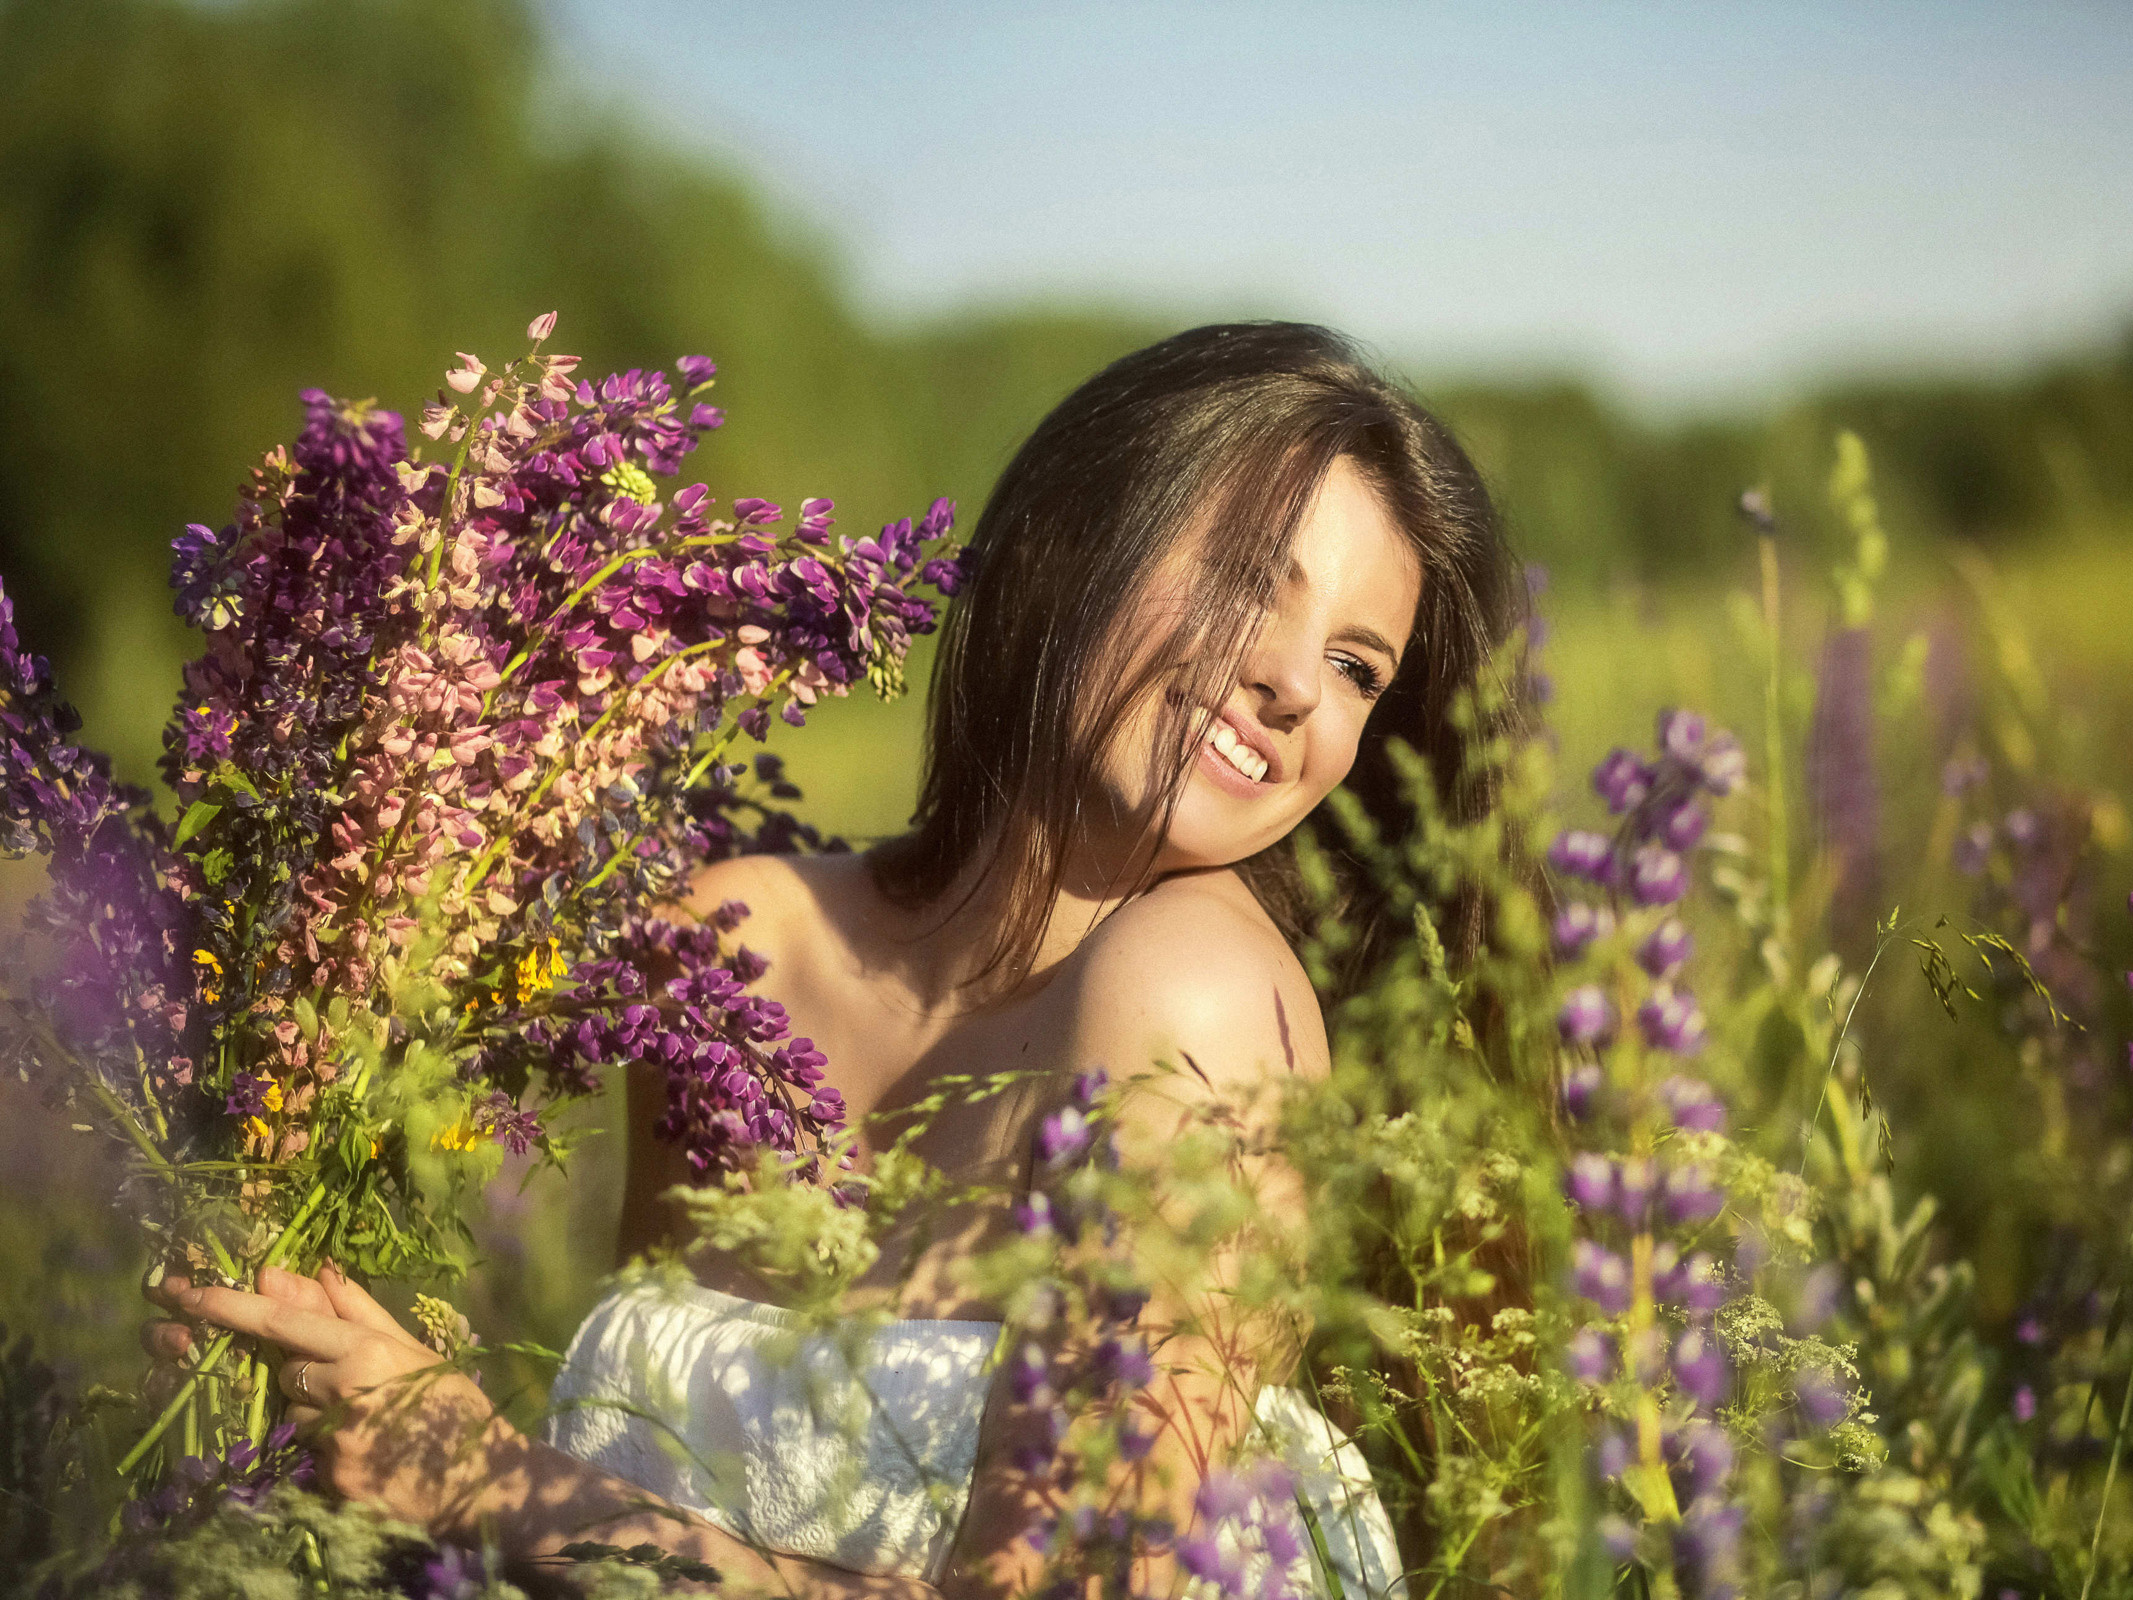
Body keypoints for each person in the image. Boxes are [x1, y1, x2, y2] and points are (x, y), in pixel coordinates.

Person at [144, 321, 1529, 1595]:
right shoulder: (735, 945)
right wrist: (309, 1356)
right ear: (1069, 540)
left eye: (1358, 666)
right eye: (1246, 580)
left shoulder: (1201, 997)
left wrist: (491, 1480)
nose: (1297, 682)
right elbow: (639, 1460)